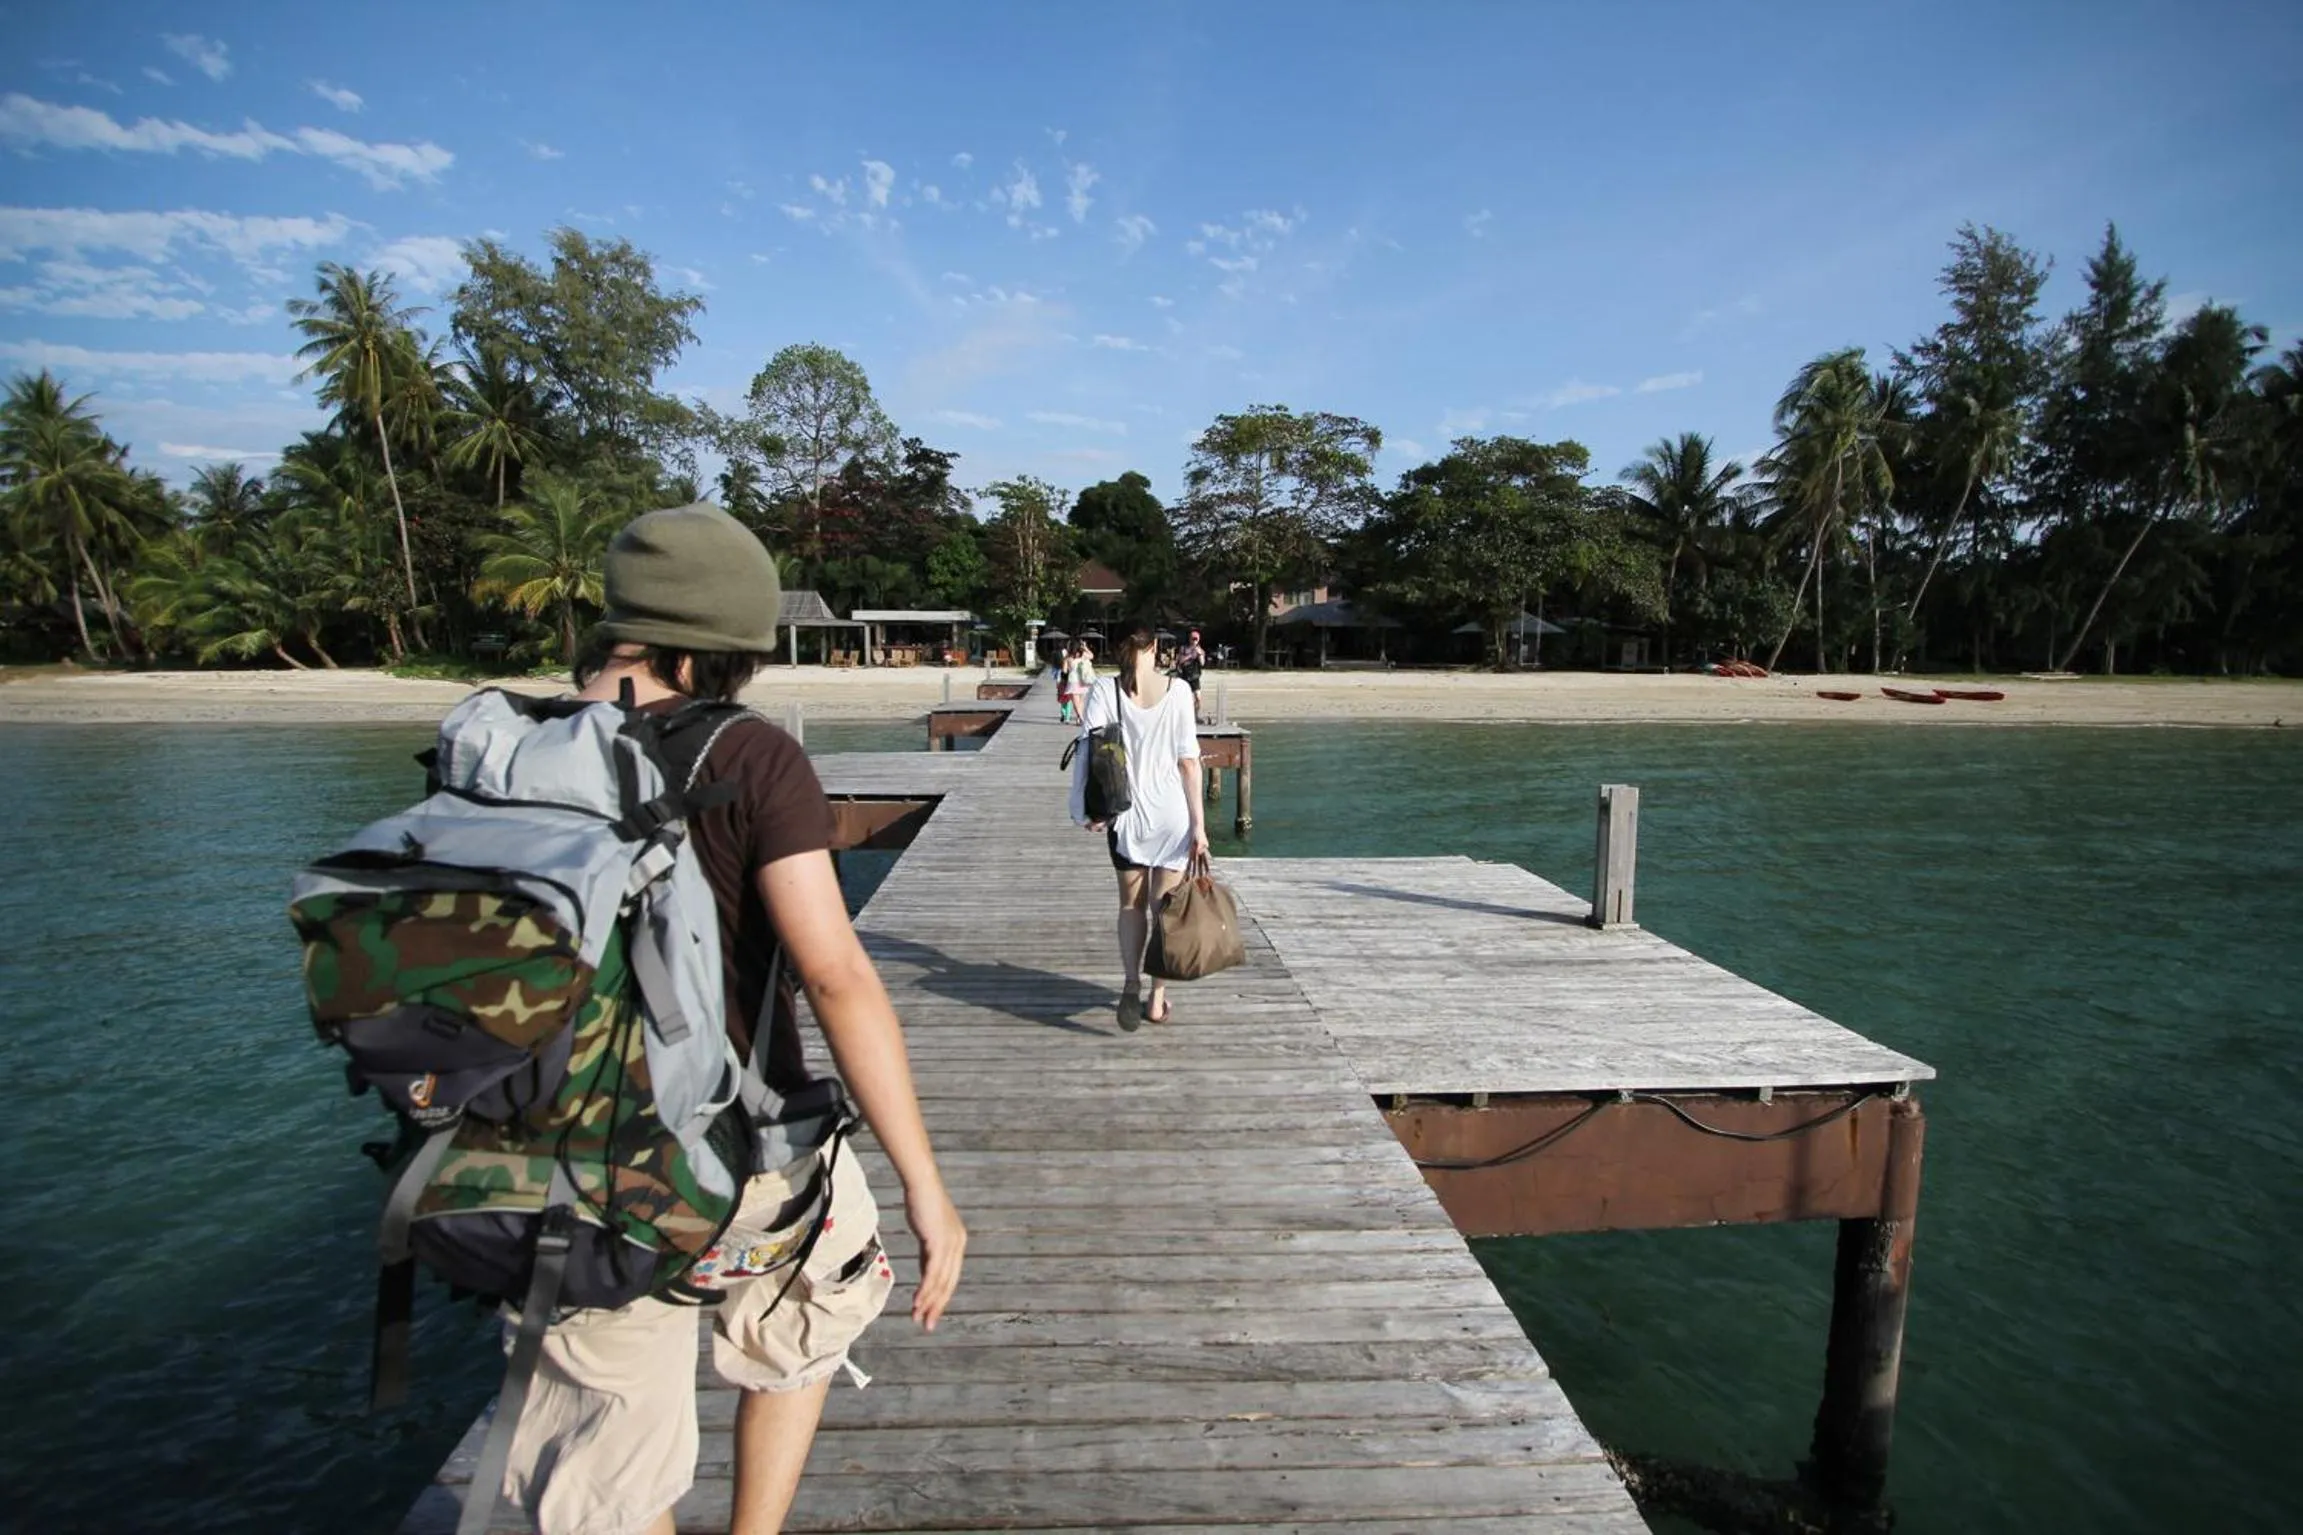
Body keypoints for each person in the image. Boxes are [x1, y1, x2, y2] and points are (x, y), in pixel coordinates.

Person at [505, 502, 966, 1535]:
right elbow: (835, 974)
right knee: (812, 1303)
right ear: (732, 641)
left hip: (565, 1157)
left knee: (605, 1462)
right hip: (743, 1150)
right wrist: (926, 1189)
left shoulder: (517, 745)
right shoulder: (751, 756)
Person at [1069, 624, 1210, 1031]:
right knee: (1164, 911)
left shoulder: (1104, 691)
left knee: (1130, 906)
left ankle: (1131, 982)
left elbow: (1088, 750)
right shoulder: (1179, 691)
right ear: (1153, 648)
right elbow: (1188, 762)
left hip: (1125, 815)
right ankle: (1157, 998)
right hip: (1172, 817)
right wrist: (1199, 827)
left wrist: (1083, 810)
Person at [1174, 629, 1208, 720]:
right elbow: (1179, 661)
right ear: (1189, 639)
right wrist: (1190, 656)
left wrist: (1199, 654)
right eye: (1193, 639)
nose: (1194, 641)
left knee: (1198, 697)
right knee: (1184, 698)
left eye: (1196, 639)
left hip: (1195, 676)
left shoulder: (1200, 650)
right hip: (1184, 676)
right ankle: (1182, 716)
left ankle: (1196, 716)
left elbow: (1202, 663)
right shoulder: (1184, 648)